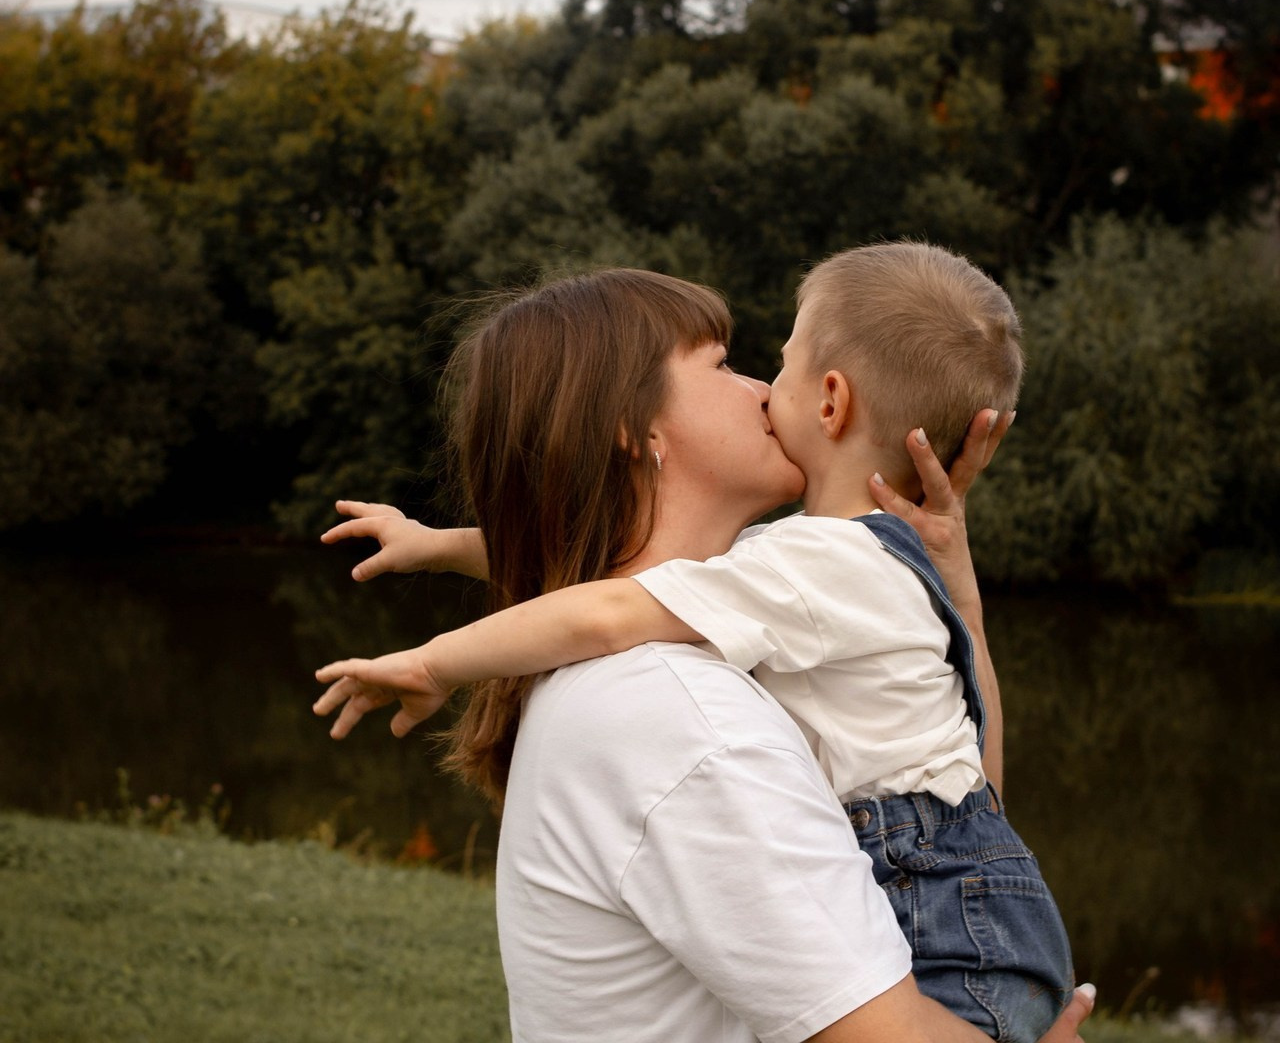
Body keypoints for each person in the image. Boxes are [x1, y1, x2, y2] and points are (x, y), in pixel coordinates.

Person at [313, 267, 1094, 1043]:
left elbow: (970, 793)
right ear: (637, 428)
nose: (761, 390)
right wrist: (434, 653)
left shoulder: (686, 646)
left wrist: (956, 595)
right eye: (722, 365)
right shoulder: (686, 722)